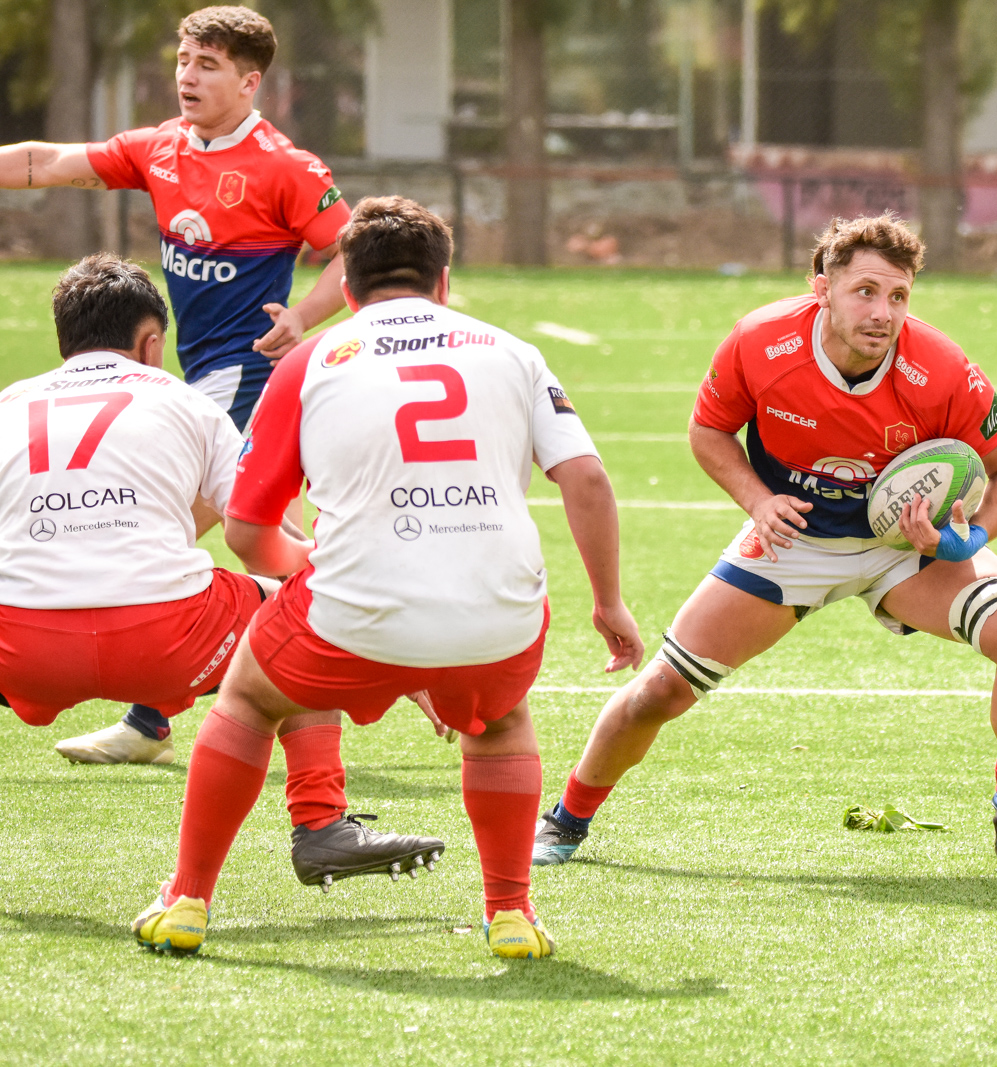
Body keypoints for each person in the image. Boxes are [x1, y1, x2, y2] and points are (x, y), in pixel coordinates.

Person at [130, 196, 645, 959]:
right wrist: (608, 603)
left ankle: (187, 901)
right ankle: (509, 913)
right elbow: (590, 482)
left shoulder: (310, 360)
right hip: (497, 613)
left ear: (346, 291)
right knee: (499, 718)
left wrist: (322, 577)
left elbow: (246, 528)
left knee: (248, 695)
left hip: (349, 614)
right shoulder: (513, 350)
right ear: (444, 283)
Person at [530, 214, 997, 874]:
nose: (883, 313)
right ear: (821, 288)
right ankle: (564, 819)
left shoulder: (941, 369)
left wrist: (966, 538)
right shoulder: (761, 341)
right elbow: (709, 431)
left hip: (902, 549)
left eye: (899, 296)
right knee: (660, 693)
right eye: (865, 291)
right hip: (793, 540)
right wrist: (758, 501)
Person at [0, 253, 443, 891]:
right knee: (296, 618)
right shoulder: (186, 403)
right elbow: (263, 529)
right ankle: (322, 825)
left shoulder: (14, 402)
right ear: (151, 344)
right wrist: (383, 642)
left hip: (25, 647)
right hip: (166, 638)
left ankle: (148, 729)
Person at [0, 6, 353, 761]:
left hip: (245, 374)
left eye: (209, 66)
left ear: (250, 81)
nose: (187, 77)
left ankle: (155, 715)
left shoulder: (286, 166)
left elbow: (352, 254)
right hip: (189, 376)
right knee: (221, 527)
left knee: (164, 527)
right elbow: (48, 161)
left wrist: (301, 317)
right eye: (184, 61)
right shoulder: (161, 147)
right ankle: (359, 629)